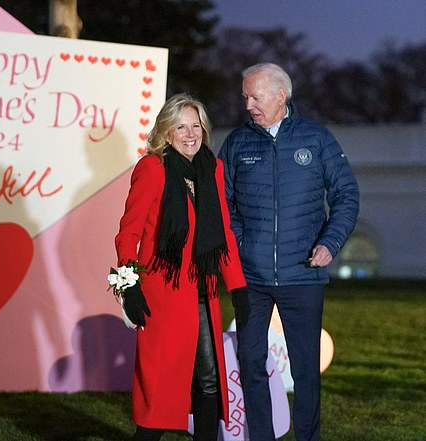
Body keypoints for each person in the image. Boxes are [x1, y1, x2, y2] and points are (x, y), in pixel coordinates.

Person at [218, 63, 359, 441]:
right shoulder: (236, 144)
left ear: (281, 95)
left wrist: (330, 243)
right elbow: (222, 203)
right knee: (250, 361)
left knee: (305, 370)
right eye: (245, 96)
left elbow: (347, 195)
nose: (248, 104)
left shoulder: (317, 139)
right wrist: (241, 245)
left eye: (255, 96)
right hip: (251, 276)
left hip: (303, 275)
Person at [114, 93, 247, 441]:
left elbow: (224, 232)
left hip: (202, 289)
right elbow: (128, 233)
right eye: (180, 126)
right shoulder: (152, 169)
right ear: (166, 132)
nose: (190, 133)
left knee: (209, 381)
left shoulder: (211, 169)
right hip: (162, 293)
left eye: (196, 125)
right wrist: (128, 286)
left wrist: (239, 287)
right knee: (160, 388)